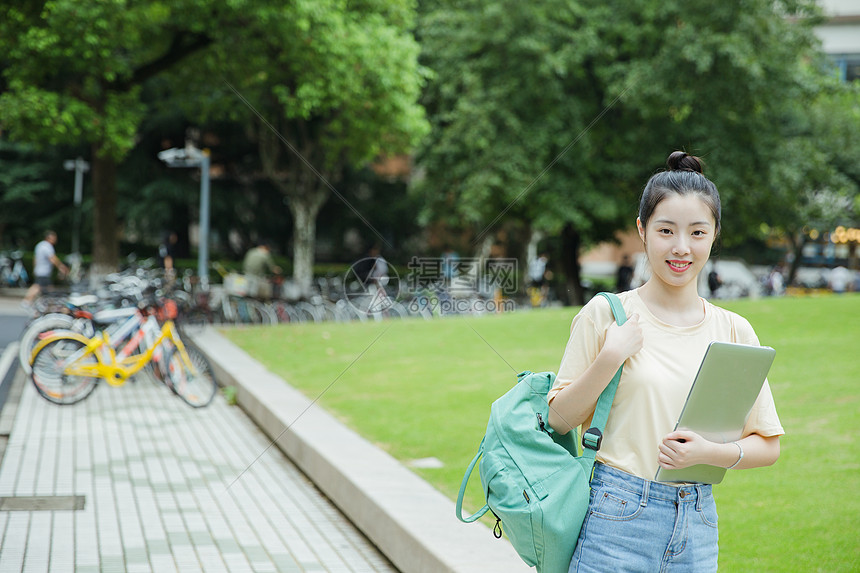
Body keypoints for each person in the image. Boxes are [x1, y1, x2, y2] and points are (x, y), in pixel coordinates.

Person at [547, 152, 783, 572]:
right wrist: (609, 358)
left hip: (697, 523)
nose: (681, 248)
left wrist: (710, 452)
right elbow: (558, 421)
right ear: (642, 231)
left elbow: (767, 445)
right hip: (614, 518)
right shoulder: (607, 315)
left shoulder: (734, 330)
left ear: (714, 236)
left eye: (697, 232)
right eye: (666, 230)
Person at [23, 230, 69, 306]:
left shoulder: (40, 245)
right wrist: (61, 266)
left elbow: (35, 259)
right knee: (38, 286)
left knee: (47, 287)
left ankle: (48, 303)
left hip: (40, 269)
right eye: (54, 238)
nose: (55, 240)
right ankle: (26, 301)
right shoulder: (47, 246)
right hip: (43, 270)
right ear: (48, 238)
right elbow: (52, 258)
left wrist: (35, 268)